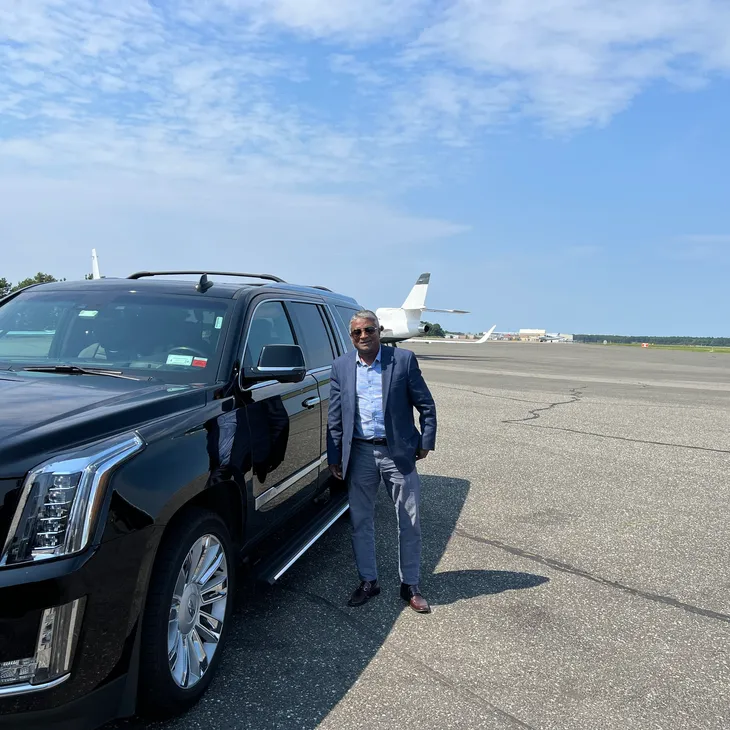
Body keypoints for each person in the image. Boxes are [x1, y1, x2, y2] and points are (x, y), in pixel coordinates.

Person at [327, 310, 437, 613]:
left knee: (409, 520)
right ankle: (368, 581)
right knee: (361, 522)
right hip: (360, 453)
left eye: (369, 330)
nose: (363, 336)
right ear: (351, 337)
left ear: (380, 331)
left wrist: (425, 442)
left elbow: (426, 405)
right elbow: (336, 417)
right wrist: (335, 455)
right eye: (357, 332)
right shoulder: (341, 366)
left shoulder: (402, 360)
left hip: (397, 453)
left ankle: (410, 584)